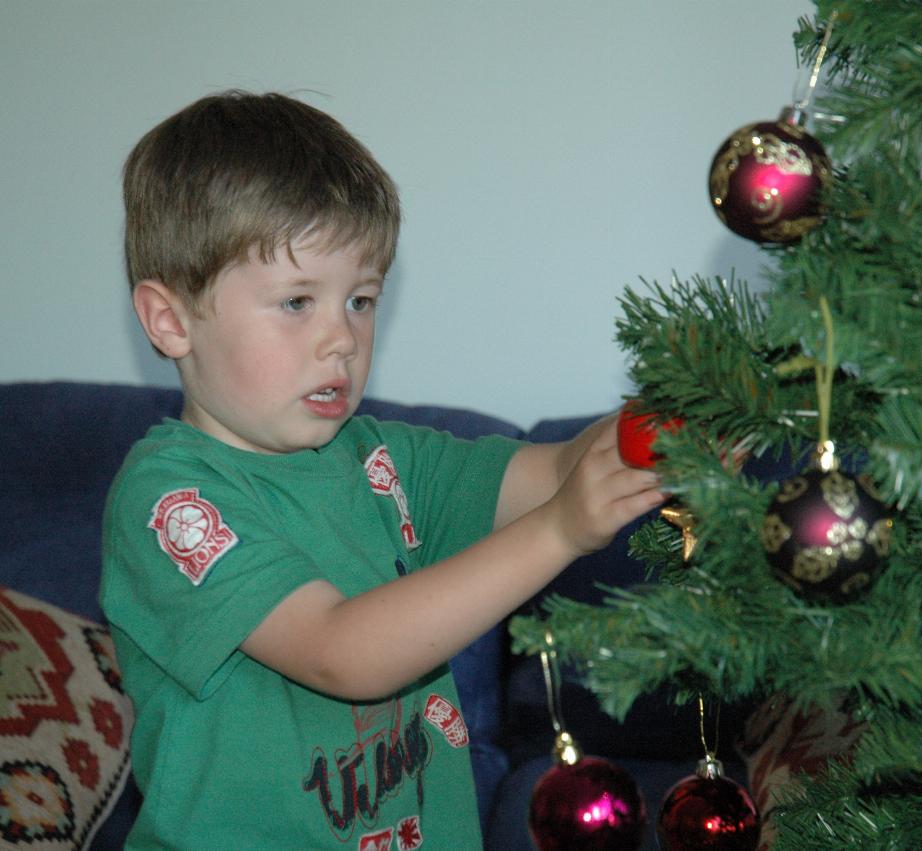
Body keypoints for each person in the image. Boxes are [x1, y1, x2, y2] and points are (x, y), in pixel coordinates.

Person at [100, 89, 665, 850]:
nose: (342, 338)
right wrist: (562, 532)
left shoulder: (378, 460)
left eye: (361, 299)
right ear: (171, 320)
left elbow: (557, 467)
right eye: (298, 301)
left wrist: (668, 417)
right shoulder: (171, 501)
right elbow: (343, 653)